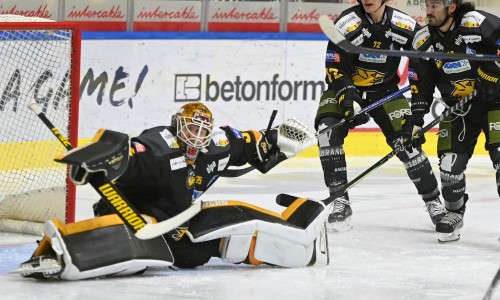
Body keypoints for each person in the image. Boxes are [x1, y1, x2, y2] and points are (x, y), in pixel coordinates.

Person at [12, 102, 328, 280]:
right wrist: (97, 162)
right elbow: (128, 154)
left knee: (227, 222)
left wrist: (279, 139)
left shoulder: (216, 147)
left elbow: (249, 142)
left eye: (203, 130)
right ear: (177, 127)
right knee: (142, 238)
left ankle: (300, 237)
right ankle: (63, 248)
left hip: (177, 223)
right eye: (190, 128)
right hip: (131, 213)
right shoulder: (160, 147)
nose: (196, 136)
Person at [316, 0, 446, 231]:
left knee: (408, 142)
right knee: (327, 132)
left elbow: (427, 54)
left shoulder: (403, 25)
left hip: (385, 91)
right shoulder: (347, 23)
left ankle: (433, 201)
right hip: (347, 89)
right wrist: (348, 97)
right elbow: (334, 64)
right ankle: (339, 200)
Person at [405, 0, 500, 242]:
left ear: (452, 7)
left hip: (496, 102)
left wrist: (493, 72)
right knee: (449, 167)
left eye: (434, 5)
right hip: (460, 108)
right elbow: (421, 87)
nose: (428, 11)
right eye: (427, 5)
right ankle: (454, 212)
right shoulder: (422, 41)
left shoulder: (476, 24)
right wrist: (416, 120)